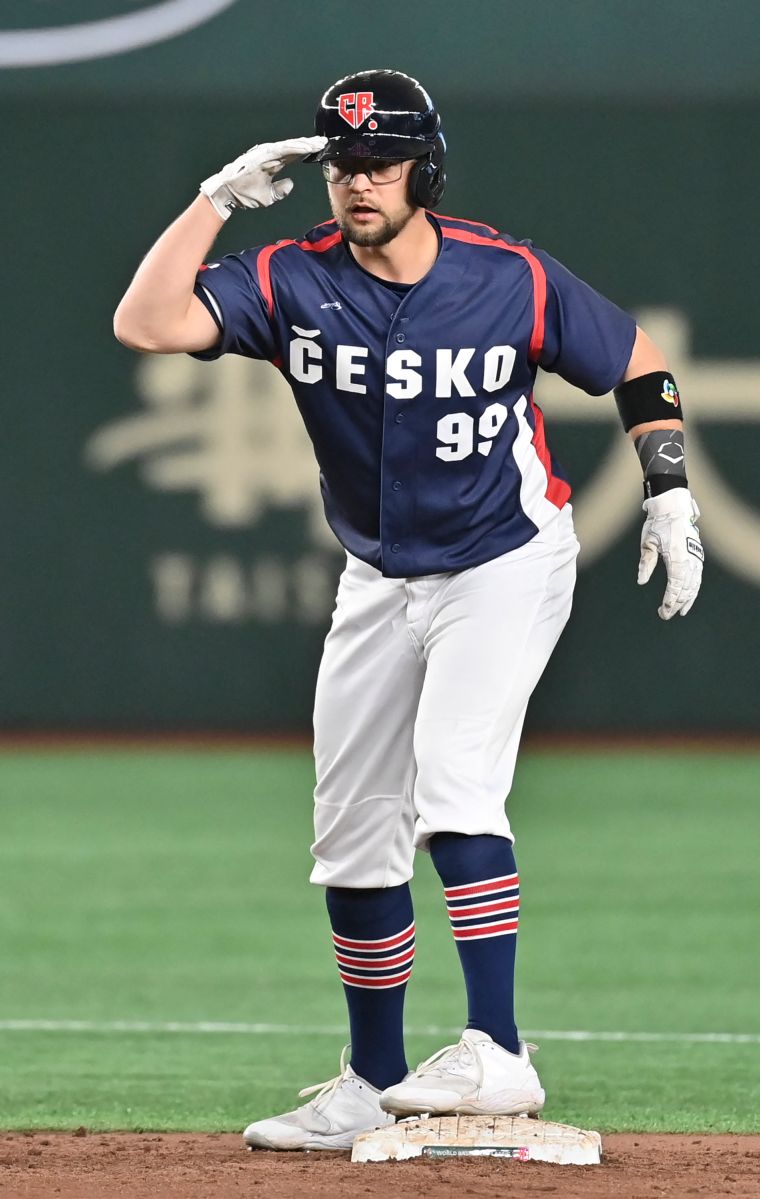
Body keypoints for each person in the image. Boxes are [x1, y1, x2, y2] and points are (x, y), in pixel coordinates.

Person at [114, 68, 704, 1150]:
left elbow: (635, 362)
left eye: (380, 160)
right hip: (379, 573)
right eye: (342, 164)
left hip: (504, 559)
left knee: (453, 783)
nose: (357, 181)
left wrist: (666, 484)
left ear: (422, 168)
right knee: (348, 833)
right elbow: (146, 321)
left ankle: (497, 1049)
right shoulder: (291, 276)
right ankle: (368, 1077)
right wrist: (212, 199)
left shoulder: (505, 275)